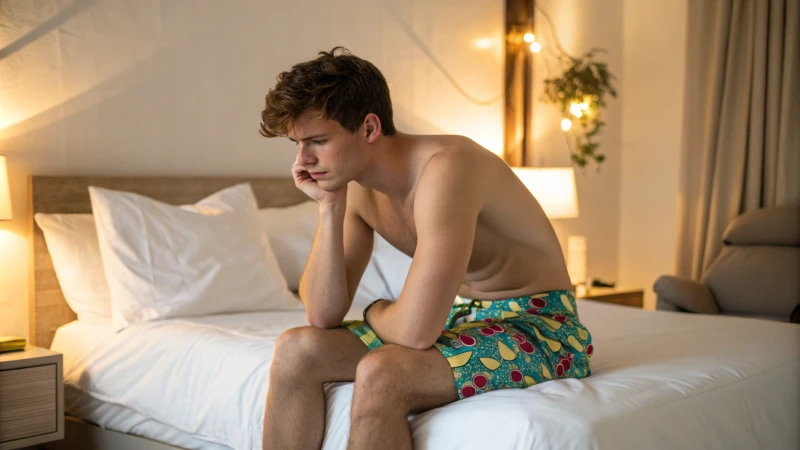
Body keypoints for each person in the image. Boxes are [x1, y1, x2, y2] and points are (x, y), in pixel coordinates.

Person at [258, 47, 593, 450]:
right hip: (461, 322)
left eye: (317, 141)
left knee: (383, 372)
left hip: (541, 327)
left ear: (369, 128)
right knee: (296, 350)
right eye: (297, 144)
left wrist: (375, 310)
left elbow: (415, 333)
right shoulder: (356, 189)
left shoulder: (447, 168)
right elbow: (322, 314)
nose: (303, 160)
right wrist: (329, 207)